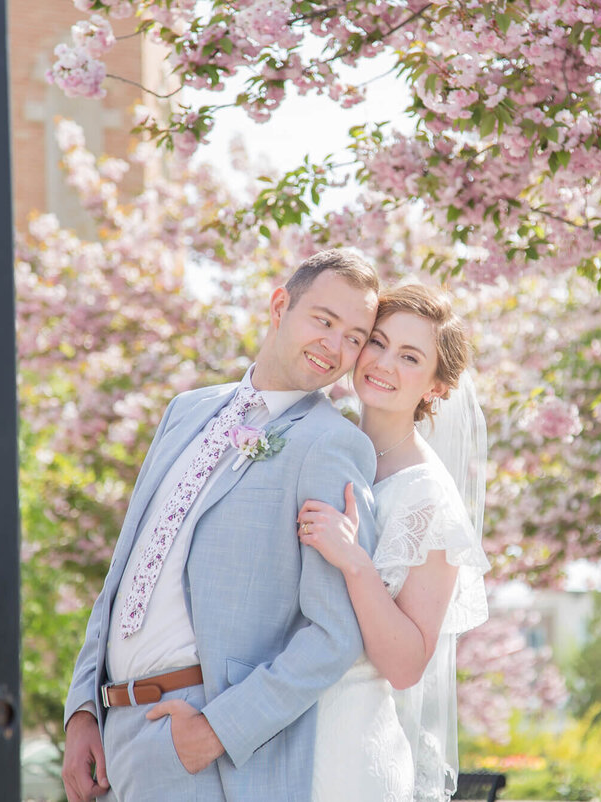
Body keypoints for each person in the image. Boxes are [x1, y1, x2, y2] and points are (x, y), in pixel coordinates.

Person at [61, 249, 382, 802]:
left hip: (204, 752)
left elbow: (336, 632)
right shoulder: (186, 410)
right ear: (280, 305)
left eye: (354, 337)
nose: (335, 347)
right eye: (324, 321)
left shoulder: (331, 443)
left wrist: (216, 732)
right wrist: (83, 710)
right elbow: (126, 569)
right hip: (113, 741)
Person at [296, 284, 491, 802]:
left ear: (437, 387)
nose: (382, 363)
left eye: (409, 356)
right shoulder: (323, 443)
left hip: (349, 754)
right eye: (376, 342)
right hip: (283, 734)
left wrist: (355, 563)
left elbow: (406, 666)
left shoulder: (429, 496)